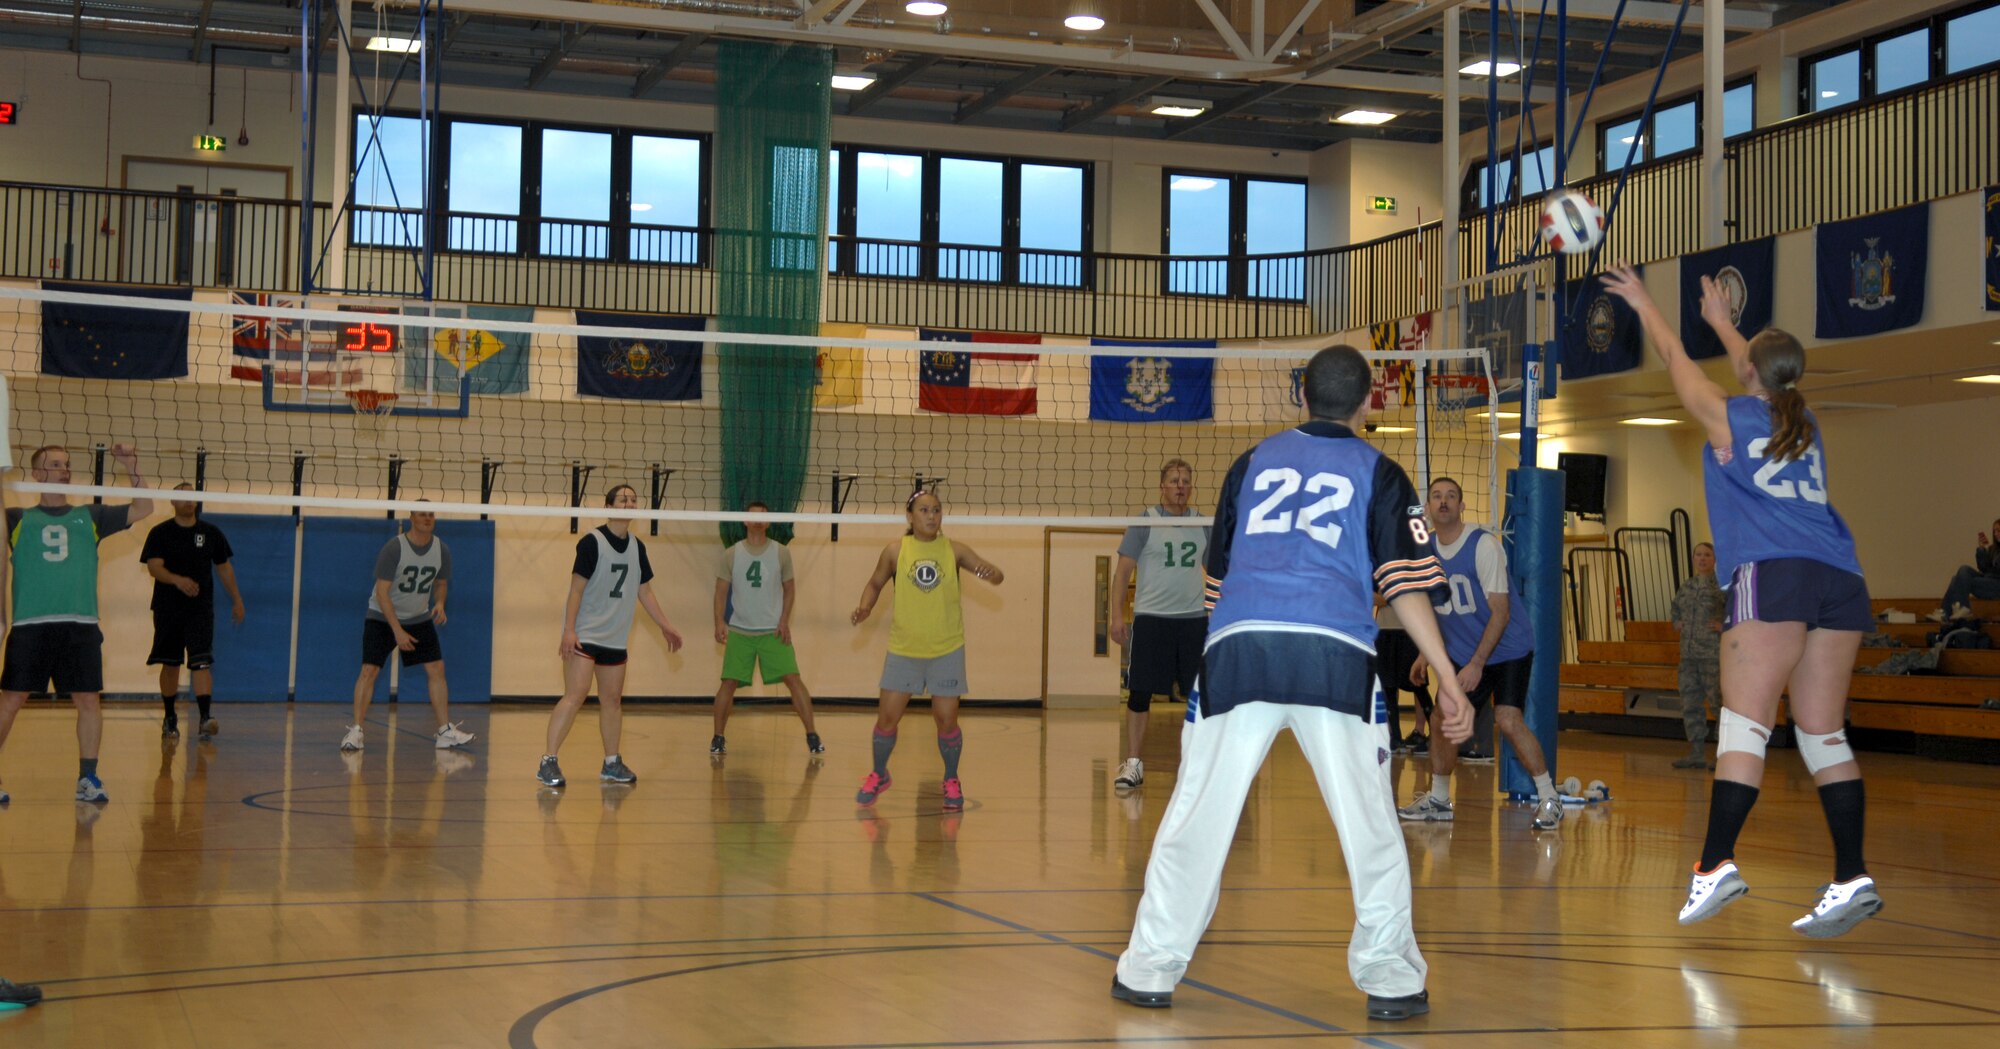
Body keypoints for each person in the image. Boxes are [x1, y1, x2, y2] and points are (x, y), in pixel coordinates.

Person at [1113, 346, 1472, 1021]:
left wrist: (1229, 659)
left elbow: (1214, 589)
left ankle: (1149, 964)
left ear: (1300, 395)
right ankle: (1391, 977)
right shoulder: (1382, 470)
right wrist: (1447, 677)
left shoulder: (1249, 463)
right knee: (1369, 817)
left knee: (1197, 809)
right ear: (1369, 404)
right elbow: (1403, 588)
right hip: (1332, 650)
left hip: (1239, 644)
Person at [1604, 264, 1880, 937]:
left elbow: (1674, 357)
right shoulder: (1803, 419)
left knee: (1744, 727)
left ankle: (1715, 861)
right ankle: (1851, 875)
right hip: (1840, 579)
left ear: (1749, 373)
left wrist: (1643, 301)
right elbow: (1761, 374)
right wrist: (1728, 327)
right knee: (1823, 733)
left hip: (1774, 574)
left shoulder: (1730, 419)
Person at [1396, 477, 1564, 832]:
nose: (1443, 502)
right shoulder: (1422, 549)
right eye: (1437, 497)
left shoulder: (1483, 545)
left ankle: (1549, 797)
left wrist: (1476, 664)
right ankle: (1440, 799)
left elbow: (1500, 612)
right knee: (1442, 717)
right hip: (1462, 650)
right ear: (1427, 508)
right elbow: (1431, 608)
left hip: (1507, 648)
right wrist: (1425, 655)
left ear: (1461, 506)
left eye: (1451, 496)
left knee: (1507, 719)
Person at [0, 443, 151, 804]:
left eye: (67, 464)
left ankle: (88, 778)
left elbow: (144, 507)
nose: (63, 470)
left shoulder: (91, 515)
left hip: (80, 624)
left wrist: (131, 466)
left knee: (87, 700)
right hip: (30, 624)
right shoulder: (15, 517)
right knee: (11, 700)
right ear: (37, 474)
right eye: (54, 464)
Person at [849, 489, 1004, 811]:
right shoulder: (895, 551)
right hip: (904, 649)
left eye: (936, 510)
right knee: (888, 719)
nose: (931, 516)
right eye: (924, 510)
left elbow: (993, 574)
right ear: (910, 516)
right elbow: (875, 582)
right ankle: (879, 773)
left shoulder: (955, 550)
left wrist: (993, 574)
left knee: (946, 721)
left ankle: (951, 778)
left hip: (946, 649)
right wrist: (865, 607)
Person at [538, 484, 684, 787]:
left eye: (633, 499)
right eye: (623, 499)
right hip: (586, 634)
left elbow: (645, 591)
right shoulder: (592, 542)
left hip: (616, 637)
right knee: (575, 696)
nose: (629, 503)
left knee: (612, 701)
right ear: (609, 506)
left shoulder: (637, 547)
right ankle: (548, 761)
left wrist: (665, 625)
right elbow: (576, 590)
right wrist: (569, 630)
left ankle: (611, 763)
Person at [1108, 458, 1209, 789]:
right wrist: (1117, 616)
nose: (1180, 486)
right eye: (1174, 481)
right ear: (1162, 486)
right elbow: (1122, 572)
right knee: (1139, 694)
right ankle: (1133, 764)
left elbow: (1220, 574)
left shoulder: (1203, 523)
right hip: (1151, 619)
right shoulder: (1144, 521)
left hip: (1193, 620)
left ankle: (1198, 765)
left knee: (1200, 696)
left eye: (1185, 481)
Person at [342, 505, 475, 752]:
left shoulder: (441, 549)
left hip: (418, 616)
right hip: (382, 616)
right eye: (422, 514)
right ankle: (356, 732)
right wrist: (397, 631)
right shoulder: (395, 547)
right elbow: (382, 593)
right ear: (411, 518)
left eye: (431, 514)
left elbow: (442, 583)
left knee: (436, 667)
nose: (427, 518)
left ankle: (445, 731)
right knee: (369, 670)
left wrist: (441, 603)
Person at [711, 500, 822, 757]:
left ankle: (812, 735)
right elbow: (720, 592)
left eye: (764, 516)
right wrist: (719, 621)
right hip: (740, 630)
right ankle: (718, 737)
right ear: (744, 521)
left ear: (769, 521)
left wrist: (784, 620)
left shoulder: (781, 552)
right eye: (753, 516)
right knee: (728, 683)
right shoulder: (732, 553)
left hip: (773, 630)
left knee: (794, 679)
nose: (759, 520)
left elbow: (790, 588)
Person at [141, 483, 246, 741]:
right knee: (170, 664)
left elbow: (224, 568)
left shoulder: (211, 533)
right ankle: (169, 718)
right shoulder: (160, 532)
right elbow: (154, 567)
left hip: (199, 610)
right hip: (168, 609)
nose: (189, 501)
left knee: (201, 663)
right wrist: (178, 580)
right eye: (183, 497)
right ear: (173, 502)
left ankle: (205, 718)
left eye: (193, 497)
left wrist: (237, 599)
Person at [1671, 542, 1726, 769]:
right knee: (1690, 704)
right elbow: (1675, 609)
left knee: (1718, 705)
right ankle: (1696, 753)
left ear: (1714, 559)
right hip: (1688, 657)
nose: (1702, 559)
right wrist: (1676, 622)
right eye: (1698, 555)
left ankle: (1723, 754)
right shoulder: (1687, 586)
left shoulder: (1722, 587)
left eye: (1707, 555)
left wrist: (1725, 624)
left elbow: (1737, 612)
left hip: (1712, 656)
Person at [1375, 599, 1434, 753]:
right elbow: (1374, 597)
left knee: (1418, 683)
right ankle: (1395, 737)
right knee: (1388, 685)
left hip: (1411, 629)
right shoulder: (1378, 574)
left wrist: (1392, 595)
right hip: (1385, 629)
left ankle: (1434, 734)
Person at [1932, 518, 2000, 621]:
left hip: (1996, 585)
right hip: (1988, 580)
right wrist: (1982, 549)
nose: (1996, 534)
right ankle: (1948, 611)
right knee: (1962, 572)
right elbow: (1983, 568)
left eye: (1998, 530)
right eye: (1994, 531)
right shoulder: (1993, 549)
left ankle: (1952, 611)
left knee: (1960, 580)